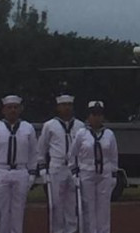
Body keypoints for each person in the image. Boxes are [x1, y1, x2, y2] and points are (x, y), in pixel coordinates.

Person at [0, 94, 38, 233]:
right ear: (3, 110)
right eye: (9, 108)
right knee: (0, 211)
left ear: (21, 109)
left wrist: (32, 174)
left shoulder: (28, 128)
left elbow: (34, 153)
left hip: (21, 171)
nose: (13, 111)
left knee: (18, 210)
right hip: (0, 170)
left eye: (16, 107)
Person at [37, 93, 85, 233]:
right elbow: (41, 149)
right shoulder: (49, 125)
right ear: (58, 107)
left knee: (72, 202)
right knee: (56, 203)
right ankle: (57, 230)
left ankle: (72, 229)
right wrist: (42, 169)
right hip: (57, 166)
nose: (67, 108)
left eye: (69, 105)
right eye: (64, 105)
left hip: (74, 167)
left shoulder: (80, 125)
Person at [71, 101, 117, 233]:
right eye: (93, 114)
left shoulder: (109, 134)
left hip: (105, 173)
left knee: (104, 208)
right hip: (87, 172)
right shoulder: (81, 134)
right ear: (88, 116)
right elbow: (72, 154)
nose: (97, 118)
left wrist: (114, 174)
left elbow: (114, 156)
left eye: (99, 114)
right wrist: (74, 172)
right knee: (88, 207)